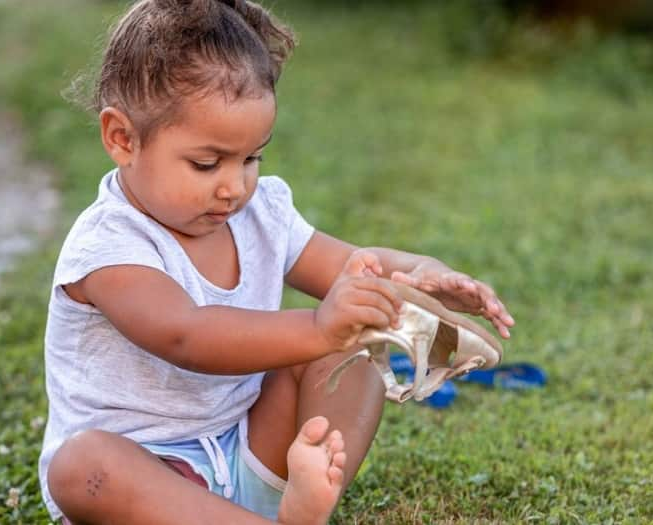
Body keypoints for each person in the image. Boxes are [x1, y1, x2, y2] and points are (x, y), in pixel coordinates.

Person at [38, 1, 516, 523]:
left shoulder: (259, 212)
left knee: (353, 350)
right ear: (122, 138)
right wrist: (318, 325)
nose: (234, 185)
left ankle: (292, 501)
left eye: (251, 157)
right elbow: (187, 336)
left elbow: (354, 267)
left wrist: (419, 276)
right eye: (206, 163)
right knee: (82, 465)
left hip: (248, 446)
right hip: (154, 478)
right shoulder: (108, 246)